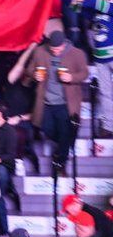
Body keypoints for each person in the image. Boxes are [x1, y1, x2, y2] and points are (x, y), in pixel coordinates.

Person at [24, 29, 88, 174]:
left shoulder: (77, 53)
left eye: (58, 49)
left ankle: (60, 163)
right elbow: (29, 69)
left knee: (65, 131)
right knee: (47, 129)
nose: (56, 52)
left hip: (66, 103)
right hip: (45, 102)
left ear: (64, 44)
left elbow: (85, 73)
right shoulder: (40, 52)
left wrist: (71, 77)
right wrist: (35, 75)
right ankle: (64, 146)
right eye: (53, 49)